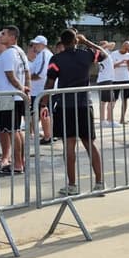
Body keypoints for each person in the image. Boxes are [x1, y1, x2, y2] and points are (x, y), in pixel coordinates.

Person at [41, 29, 106, 196]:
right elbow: (104, 54)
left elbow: (49, 83)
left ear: (61, 42)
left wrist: (43, 103)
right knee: (89, 143)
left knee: (69, 145)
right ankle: (99, 182)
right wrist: (85, 41)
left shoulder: (56, 59)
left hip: (65, 105)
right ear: (75, 40)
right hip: (84, 104)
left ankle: (72, 185)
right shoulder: (86, 54)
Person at [0, 26, 30, 174]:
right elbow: (27, 73)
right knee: (16, 130)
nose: (1, 36)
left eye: (4, 34)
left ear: (12, 37)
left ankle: (17, 164)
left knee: (11, 130)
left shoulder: (9, 53)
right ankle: (20, 162)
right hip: (15, 96)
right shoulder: (20, 51)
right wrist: (26, 89)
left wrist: (22, 88)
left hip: (8, 96)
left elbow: (10, 74)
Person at [29, 36, 54, 144]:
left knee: (43, 112)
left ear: (43, 45)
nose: (34, 46)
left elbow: (40, 74)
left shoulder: (44, 54)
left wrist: (26, 78)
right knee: (42, 113)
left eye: (37, 44)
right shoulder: (41, 55)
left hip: (41, 90)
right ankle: (47, 134)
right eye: (34, 44)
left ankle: (48, 136)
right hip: (39, 90)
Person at [95, 40, 118, 127]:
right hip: (105, 80)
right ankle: (109, 120)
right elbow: (112, 44)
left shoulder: (106, 52)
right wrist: (103, 46)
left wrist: (105, 46)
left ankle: (104, 120)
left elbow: (113, 44)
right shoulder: (102, 53)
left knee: (104, 101)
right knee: (111, 101)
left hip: (105, 80)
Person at [111, 40, 129, 125]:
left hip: (126, 79)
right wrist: (120, 62)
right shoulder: (114, 54)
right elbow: (111, 66)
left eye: (128, 49)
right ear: (122, 46)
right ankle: (110, 118)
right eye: (125, 48)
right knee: (114, 99)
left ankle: (122, 118)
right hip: (116, 80)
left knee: (125, 99)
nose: (126, 50)